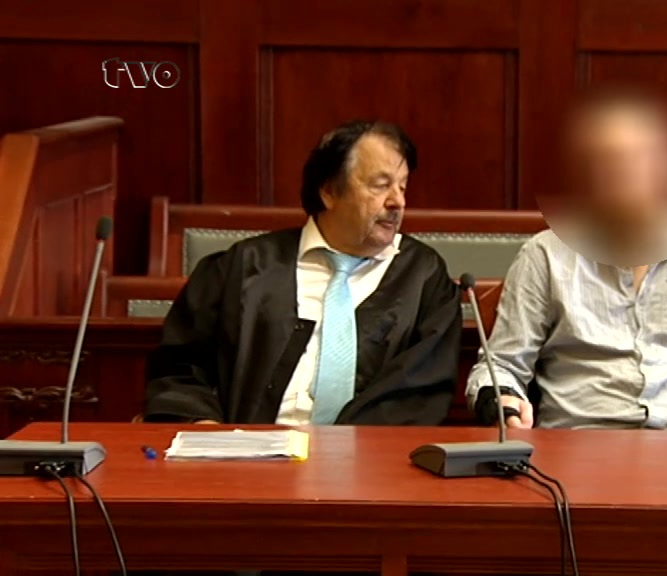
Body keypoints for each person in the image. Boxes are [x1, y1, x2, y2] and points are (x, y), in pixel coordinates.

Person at [466, 90, 667, 431]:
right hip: (577, 442)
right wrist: (505, 402)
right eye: (606, 163)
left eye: (639, 159)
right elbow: (500, 367)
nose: (624, 174)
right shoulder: (545, 254)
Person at [144, 120, 462, 426]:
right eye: (381, 186)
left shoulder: (423, 276)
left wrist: (347, 450)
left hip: (369, 455)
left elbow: (419, 391)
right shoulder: (243, 267)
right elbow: (179, 368)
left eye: (402, 187)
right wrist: (204, 425)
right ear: (329, 192)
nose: (398, 201)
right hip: (247, 451)